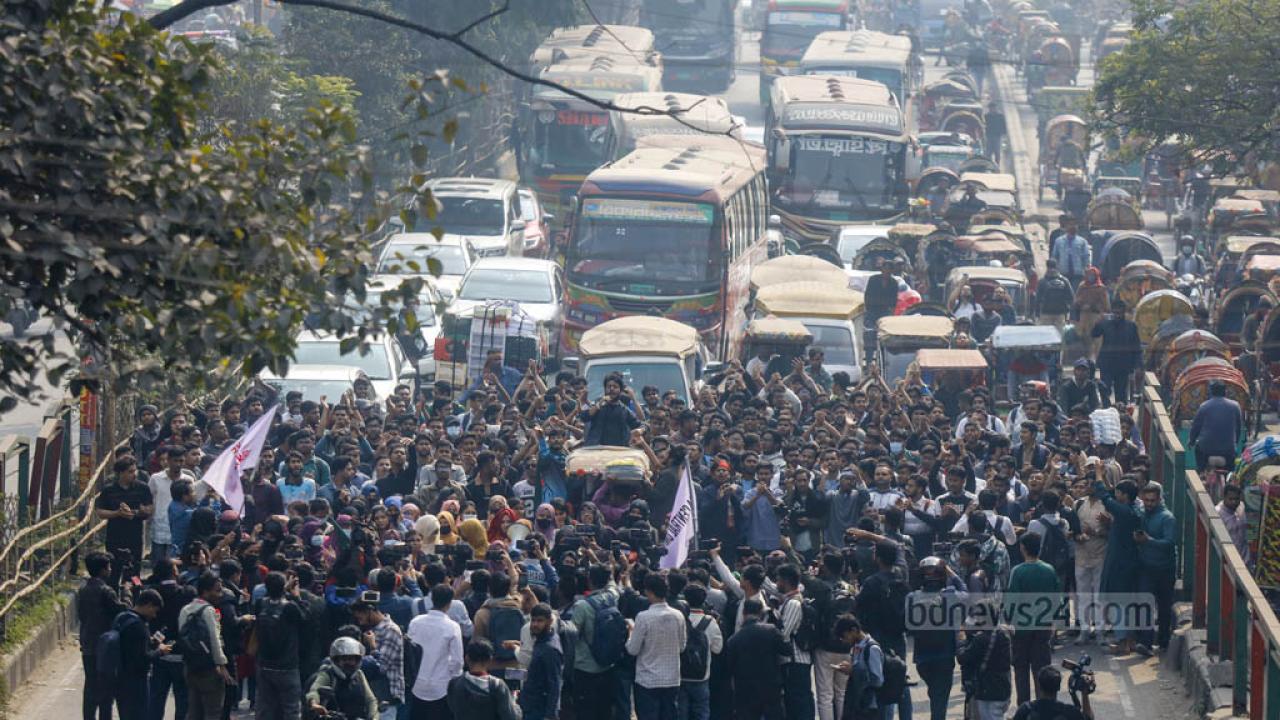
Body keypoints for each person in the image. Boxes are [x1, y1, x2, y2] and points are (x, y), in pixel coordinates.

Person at [1005, 533, 1060, 706]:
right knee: (1042, 669)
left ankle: (1024, 707)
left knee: (1021, 670)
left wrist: (1008, 622)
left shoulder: (1018, 571)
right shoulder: (1049, 570)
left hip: (1021, 628)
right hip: (1043, 627)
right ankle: (1044, 706)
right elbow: (1056, 599)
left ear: (1023, 548)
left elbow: (1011, 602)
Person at [626, 573, 687, 720]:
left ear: (649, 592)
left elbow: (632, 649)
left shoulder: (643, 617)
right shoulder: (678, 615)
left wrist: (631, 633)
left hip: (647, 680)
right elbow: (682, 647)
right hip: (672, 679)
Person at [79, 551, 128, 720]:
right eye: (108, 567)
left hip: (88, 643)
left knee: (90, 686)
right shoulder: (106, 591)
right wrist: (127, 593)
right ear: (102, 570)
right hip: (105, 647)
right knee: (106, 690)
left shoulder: (83, 589)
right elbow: (121, 611)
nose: (110, 570)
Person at [253, 571, 309, 720]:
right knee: (291, 708)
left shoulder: (260, 604)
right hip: (287, 665)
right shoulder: (290, 607)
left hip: (264, 664)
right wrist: (296, 596)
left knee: (265, 707)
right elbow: (305, 618)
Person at [179, 571, 233, 720]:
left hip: (190, 667)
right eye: (217, 590)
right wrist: (221, 665)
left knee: (194, 711)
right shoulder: (209, 611)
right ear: (205, 591)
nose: (221, 594)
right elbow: (215, 640)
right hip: (209, 669)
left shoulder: (186, 609)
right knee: (213, 712)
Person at [94, 456, 154, 588]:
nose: (134, 474)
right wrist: (117, 513)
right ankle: (113, 594)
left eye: (135, 471)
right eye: (130, 472)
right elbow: (100, 512)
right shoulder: (109, 490)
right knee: (113, 570)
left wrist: (137, 512)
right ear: (120, 473)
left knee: (134, 571)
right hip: (114, 537)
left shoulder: (142, 488)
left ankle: (136, 593)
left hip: (135, 537)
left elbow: (149, 508)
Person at [725, 598, 789, 720]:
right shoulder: (771, 630)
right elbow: (787, 650)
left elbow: (729, 667)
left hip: (745, 688)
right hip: (770, 686)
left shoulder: (734, 639)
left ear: (743, 613)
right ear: (761, 613)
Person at [407, 584, 464, 720]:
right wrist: (453, 677)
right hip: (441, 686)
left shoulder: (415, 622)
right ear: (449, 603)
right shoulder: (452, 627)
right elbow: (457, 661)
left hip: (417, 684)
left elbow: (410, 652)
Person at [1135, 482, 1177, 655]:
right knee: (1144, 603)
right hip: (1146, 567)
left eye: (1152, 501)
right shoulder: (1141, 514)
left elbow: (1169, 543)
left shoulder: (1167, 518)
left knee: (1164, 607)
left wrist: (1149, 541)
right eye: (1146, 500)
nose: (1149, 504)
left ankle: (1164, 641)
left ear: (1159, 499)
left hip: (1165, 569)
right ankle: (1145, 642)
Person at [445, 640, 522, 720]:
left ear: (466, 658)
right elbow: (511, 717)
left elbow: (452, 709)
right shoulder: (497, 685)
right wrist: (514, 702)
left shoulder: (454, 684)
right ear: (490, 660)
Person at [307, 637, 380, 720]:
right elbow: (314, 690)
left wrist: (374, 717)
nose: (348, 662)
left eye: (351, 659)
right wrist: (314, 704)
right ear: (337, 660)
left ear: (357, 660)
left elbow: (370, 700)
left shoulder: (359, 675)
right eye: (344, 659)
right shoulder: (327, 674)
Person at [678, 584, 722, 720]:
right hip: (701, 677)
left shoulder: (679, 618)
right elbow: (717, 649)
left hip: (681, 674)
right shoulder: (710, 622)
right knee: (701, 712)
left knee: (681, 712)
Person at [1091, 299, 1141, 406]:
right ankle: (1106, 410)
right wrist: (1097, 322)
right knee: (1105, 391)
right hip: (1107, 364)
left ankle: (1121, 413)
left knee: (1121, 395)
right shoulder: (1105, 324)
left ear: (1124, 312)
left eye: (1120, 313)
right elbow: (1094, 334)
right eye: (1115, 312)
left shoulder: (1131, 326)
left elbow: (1136, 347)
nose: (1117, 315)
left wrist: (1137, 365)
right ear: (1112, 312)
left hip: (1123, 366)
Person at [957, 622, 1012, 720]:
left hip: (986, 689)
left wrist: (961, 643)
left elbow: (963, 658)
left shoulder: (980, 639)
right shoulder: (1005, 635)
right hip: (1004, 687)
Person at [519, 604, 564, 720]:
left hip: (540, 709)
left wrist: (549, 715)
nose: (535, 624)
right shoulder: (542, 640)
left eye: (540, 621)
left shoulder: (550, 648)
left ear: (549, 621)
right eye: (533, 620)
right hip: (531, 705)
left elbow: (555, 684)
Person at [1188, 381, 1244, 471]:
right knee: (1230, 470)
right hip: (1228, 450)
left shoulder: (1204, 406)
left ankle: (1201, 473)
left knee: (1199, 459)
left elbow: (1196, 427)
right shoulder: (1235, 406)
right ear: (1225, 392)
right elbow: (1238, 428)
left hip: (1206, 449)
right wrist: (1235, 443)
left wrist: (1191, 441)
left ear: (1211, 392)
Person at [1011, 666, 1091, 720]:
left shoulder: (1025, 710)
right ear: (1058, 687)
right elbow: (1088, 717)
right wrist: (1084, 693)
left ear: (1039, 686)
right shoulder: (1069, 712)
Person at [1072, 268, 1109, 360]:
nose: (1091, 277)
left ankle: (1096, 359)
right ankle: (1086, 359)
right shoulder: (1082, 286)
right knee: (1085, 338)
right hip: (1084, 316)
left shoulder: (1101, 288)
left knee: (1097, 340)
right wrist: (1081, 303)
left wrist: (1094, 307)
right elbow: (1076, 300)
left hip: (1095, 316)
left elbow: (1106, 305)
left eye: (1093, 275)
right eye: (1089, 275)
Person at [1050, 216, 1090, 289]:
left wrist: (1087, 271)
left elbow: (1086, 257)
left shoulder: (1082, 241)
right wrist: (1054, 270)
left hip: (1078, 274)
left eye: (1075, 224)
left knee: (1076, 293)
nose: (1073, 226)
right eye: (1070, 224)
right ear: (1066, 227)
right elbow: (1054, 257)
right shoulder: (1059, 241)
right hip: (1063, 273)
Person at [1036, 259, 1075, 329]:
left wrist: (1037, 314)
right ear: (1057, 266)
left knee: (1046, 334)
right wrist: (1069, 314)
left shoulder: (1042, 281)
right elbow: (1071, 297)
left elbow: (1037, 299)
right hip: (1060, 313)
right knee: (1059, 334)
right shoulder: (1064, 280)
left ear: (1047, 267)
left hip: (1046, 313)